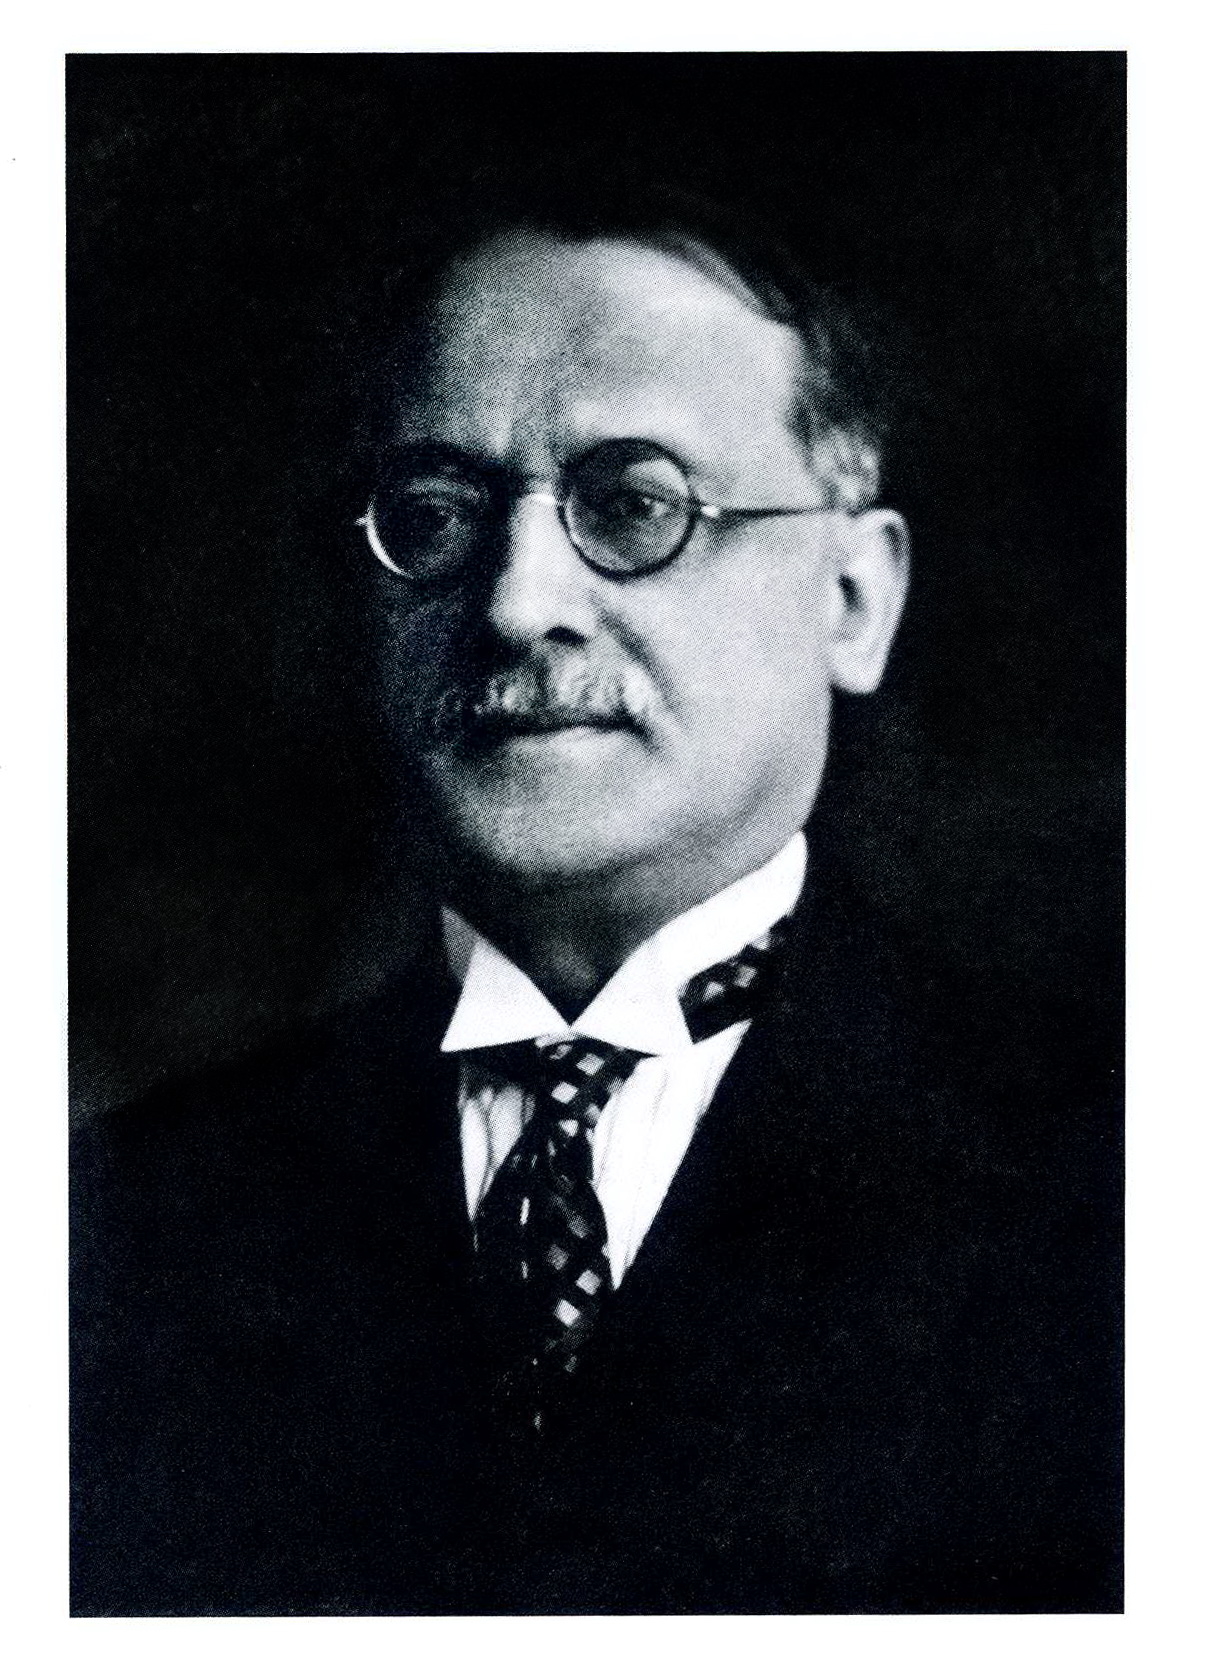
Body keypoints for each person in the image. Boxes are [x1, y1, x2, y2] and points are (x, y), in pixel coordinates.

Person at [71, 189, 1121, 1616]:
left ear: (854, 599)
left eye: (633, 505)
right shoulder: (127, 1219)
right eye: (435, 514)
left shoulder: (1116, 1183)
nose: (517, 603)